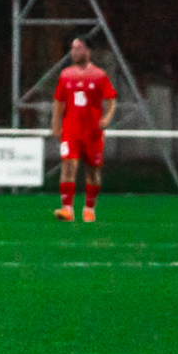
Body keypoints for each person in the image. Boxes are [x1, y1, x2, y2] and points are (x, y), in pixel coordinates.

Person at [52, 37, 117, 223]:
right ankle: (67, 209)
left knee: (93, 172)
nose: (74, 52)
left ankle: (89, 208)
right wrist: (56, 125)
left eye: (78, 48)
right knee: (68, 166)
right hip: (71, 131)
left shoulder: (99, 75)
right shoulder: (65, 75)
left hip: (93, 133)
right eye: (73, 48)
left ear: (88, 51)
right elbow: (59, 101)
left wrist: (106, 118)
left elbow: (111, 100)